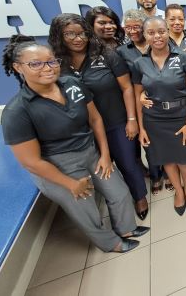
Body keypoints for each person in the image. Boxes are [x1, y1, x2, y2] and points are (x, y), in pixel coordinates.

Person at [1, 35, 149, 253]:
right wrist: (69, 184)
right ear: (18, 67)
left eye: (52, 61)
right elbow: (31, 162)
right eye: (36, 64)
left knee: (119, 192)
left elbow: (95, 119)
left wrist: (105, 155)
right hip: (58, 166)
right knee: (86, 209)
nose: (48, 68)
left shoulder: (71, 84)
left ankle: (126, 229)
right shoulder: (17, 111)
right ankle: (111, 243)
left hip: (91, 152)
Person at [48, 14, 149, 220]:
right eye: (70, 34)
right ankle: (113, 202)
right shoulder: (56, 63)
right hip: (83, 128)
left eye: (82, 33)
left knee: (128, 163)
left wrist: (132, 120)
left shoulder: (106, 55)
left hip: (116, 121)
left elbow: (127, 87)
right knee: (101, 169)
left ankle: (139, 197)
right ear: (59, 36)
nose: (78, 39)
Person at [133, 17, 186, 215]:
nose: (157, 36)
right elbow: (138, 96)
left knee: (185, 160)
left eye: (161, 31)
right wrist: (142, 128)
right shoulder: (139, 63)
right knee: (167, 160)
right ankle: (178, 191)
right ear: (145, 35)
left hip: (182, 118)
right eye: (151, 32)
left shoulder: (184, 57)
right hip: (154, 120)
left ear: (168, 32)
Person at [117, 9, 166, 195]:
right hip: (140, 102)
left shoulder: (160, 44)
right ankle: (155, 175)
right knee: (149, 144)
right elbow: (125, 82)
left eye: (136, 26)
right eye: (128, 27)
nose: (133, 31)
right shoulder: (122, 52)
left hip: (163, 100)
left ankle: (168, 173)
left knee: (167, 140)